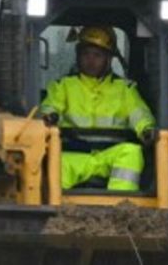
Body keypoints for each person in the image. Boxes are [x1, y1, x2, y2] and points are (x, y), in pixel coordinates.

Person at [38, 25, 155, 192]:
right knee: (55, 159)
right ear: (78, 56)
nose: (90, 60)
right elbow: (50, 106)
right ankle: (57, 210)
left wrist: (147, 130)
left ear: (108, 59)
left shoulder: (125, 89)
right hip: (74, 155)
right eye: (86, 54)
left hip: (111, 155)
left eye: (97, 55)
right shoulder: (63, 86)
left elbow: (139, 114)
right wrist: (48, 116)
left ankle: (123, 208)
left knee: (132, 153)